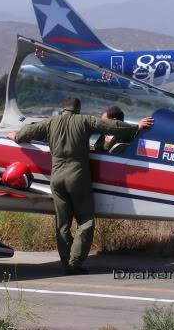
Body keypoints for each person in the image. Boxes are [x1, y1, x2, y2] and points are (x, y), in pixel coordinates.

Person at [9, 97, 153, 274]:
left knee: (62, 223)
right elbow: (111, 126)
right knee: (85, 221)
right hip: (77, 176)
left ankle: (65, 263)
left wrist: (15, 136)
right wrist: (136, 127)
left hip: (57, 178)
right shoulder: (84, 120)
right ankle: (75, 262)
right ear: (78, 109)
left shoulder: (50, 122)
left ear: (63, 108)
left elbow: (26, 133)